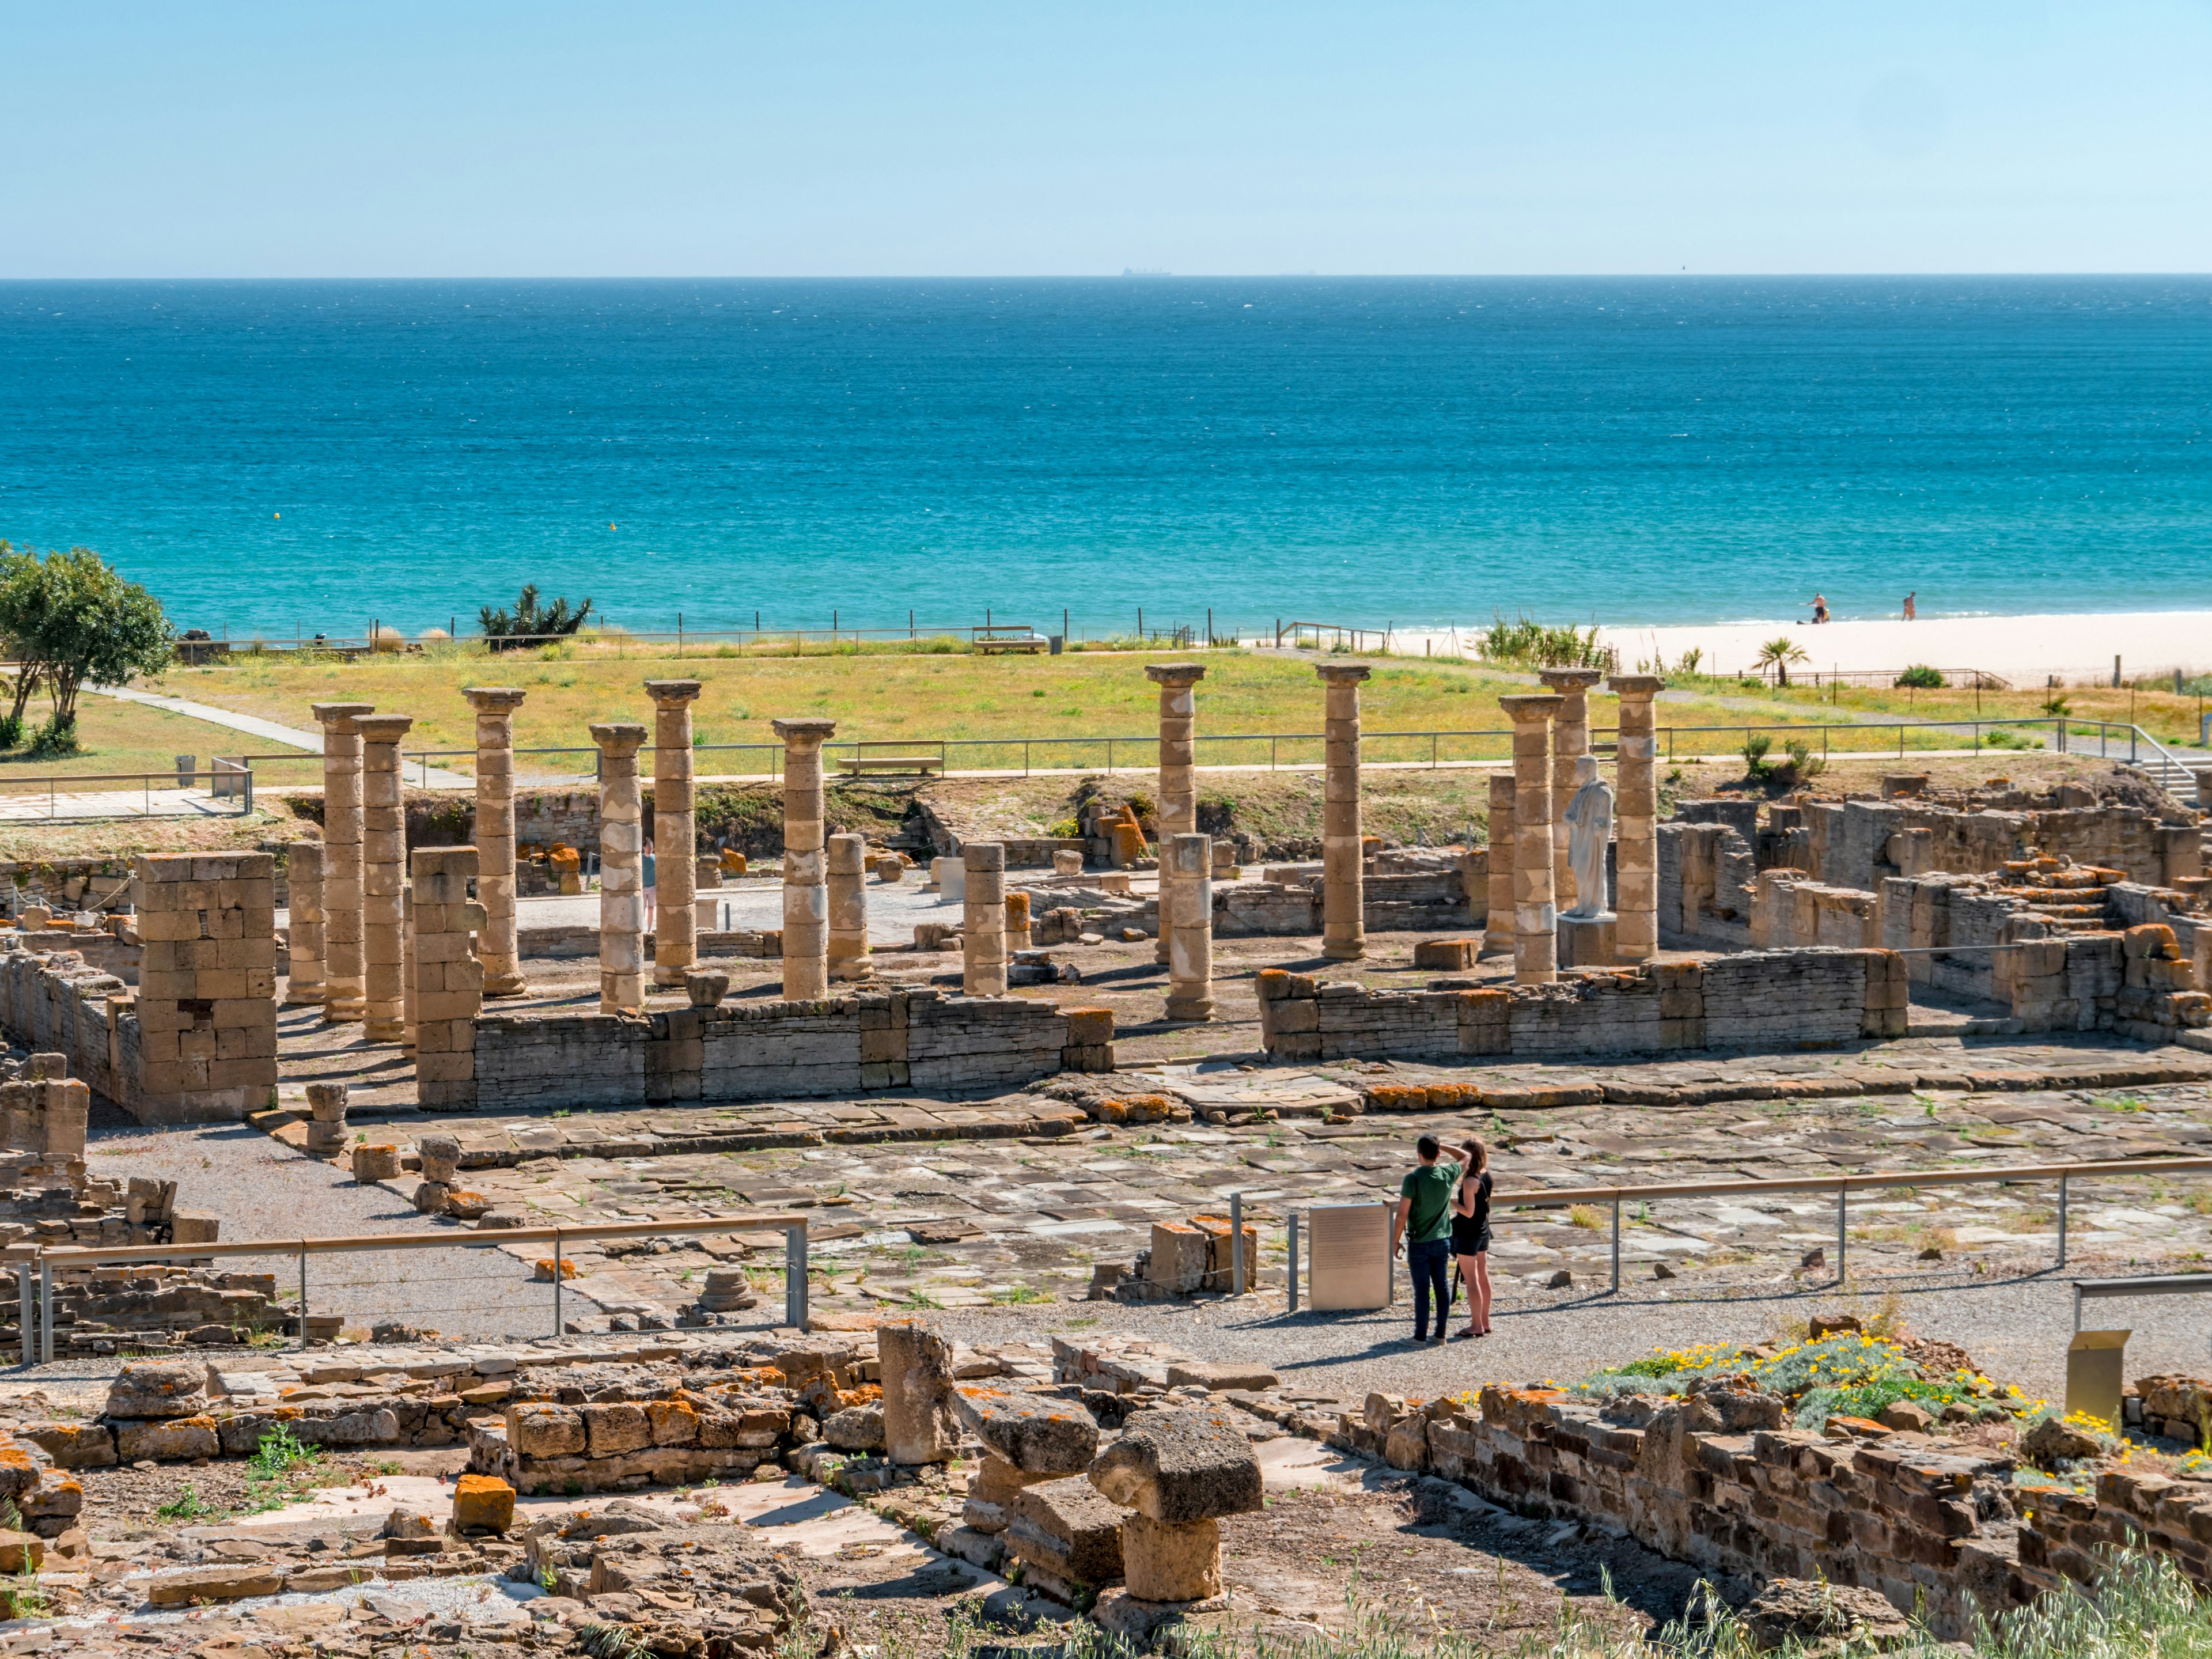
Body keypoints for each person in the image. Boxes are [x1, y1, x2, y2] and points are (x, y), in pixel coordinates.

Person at [1391, 1133, 1468, 1343]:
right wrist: (1441, 1145)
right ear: (1438, 1154)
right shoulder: (1447, 1173)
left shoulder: (1413, 1179)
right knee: (1442, 1288)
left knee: (1422, 1291)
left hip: (1419, 1244)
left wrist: (1395, 1241)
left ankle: (1419, 1337)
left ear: (1419, 1155)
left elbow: (1402, 1215)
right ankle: (1440, 1335)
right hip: (1443, 1241)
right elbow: (1466, 1157)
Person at [1450, 1138, 1494, 1340]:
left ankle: (1476, 1325)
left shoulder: (1469, 1181)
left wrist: (1450, 1202)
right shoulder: (1486, 1176)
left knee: (1472, 1280)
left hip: (1468, 1233)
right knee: (1483, 1276)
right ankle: (1485, 1321)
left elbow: (1468, 1212)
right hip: (1483, 1229)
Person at [641, 836, 657, 929]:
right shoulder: (640, 858)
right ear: (644, 848)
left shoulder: (656, 858)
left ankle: (649, 930)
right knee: (642, 909)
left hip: (653, 887)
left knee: (651, 909)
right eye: (647, 846)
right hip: (642, 887)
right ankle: (641, 928)